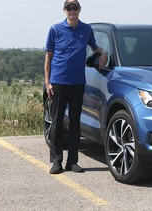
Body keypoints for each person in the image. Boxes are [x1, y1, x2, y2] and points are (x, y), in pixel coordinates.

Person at [44, 0, 108, 174]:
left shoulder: (86, 30)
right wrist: (48, 82)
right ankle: (57, 161)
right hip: (58, 82)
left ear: (80, 10)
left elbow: (95, 48)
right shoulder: (55, 29)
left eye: (75, 8)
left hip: (78, 83)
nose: (72, 11)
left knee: (75, 123)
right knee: (57, 121)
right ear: (64, 10)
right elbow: (48, 58)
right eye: (69, 8)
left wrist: (104, 53)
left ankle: (72, 161)